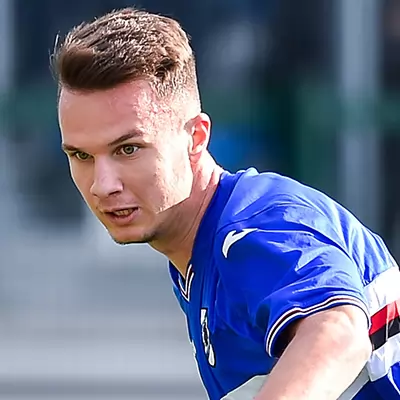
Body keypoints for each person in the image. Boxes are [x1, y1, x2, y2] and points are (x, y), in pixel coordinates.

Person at [51, 7, 400, 400]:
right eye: (81, 155)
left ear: (196, 138)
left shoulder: (250, 231)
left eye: (128, 149)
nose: (103, 184)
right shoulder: (197, 255)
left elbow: (339, 334)